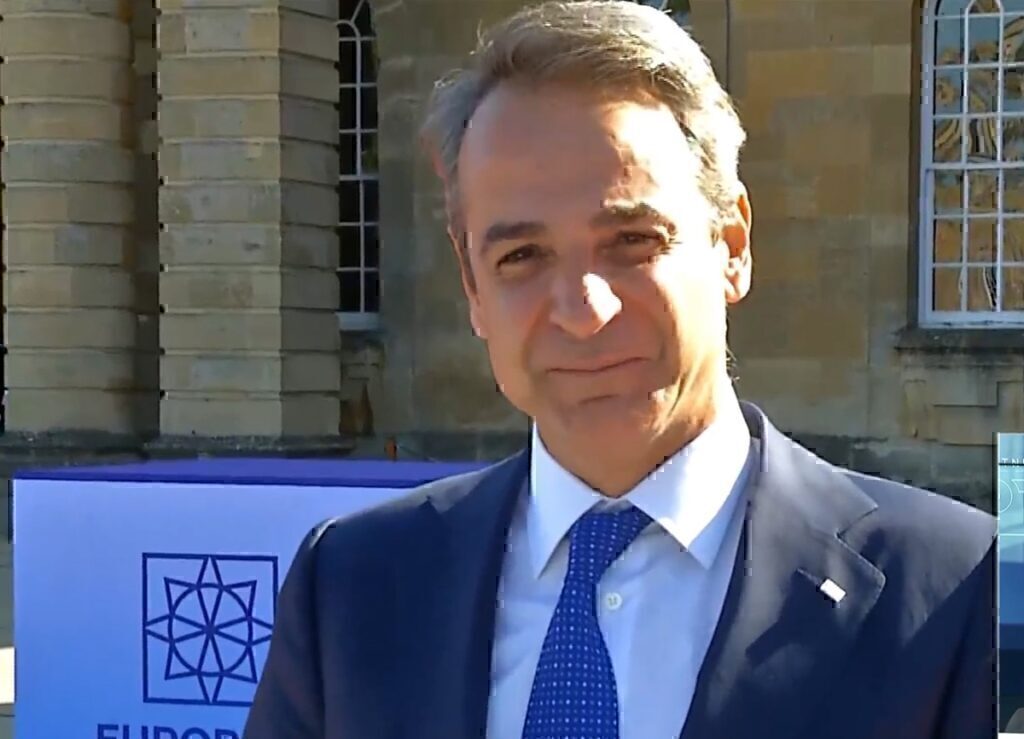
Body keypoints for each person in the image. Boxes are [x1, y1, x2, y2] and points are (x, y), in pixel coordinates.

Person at [243, 2, 997, 737]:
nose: (584, 310)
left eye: (632, 241)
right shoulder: (349, 585)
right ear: (472, 288)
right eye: (522, 256)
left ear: (732, 246)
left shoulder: (963, 589)